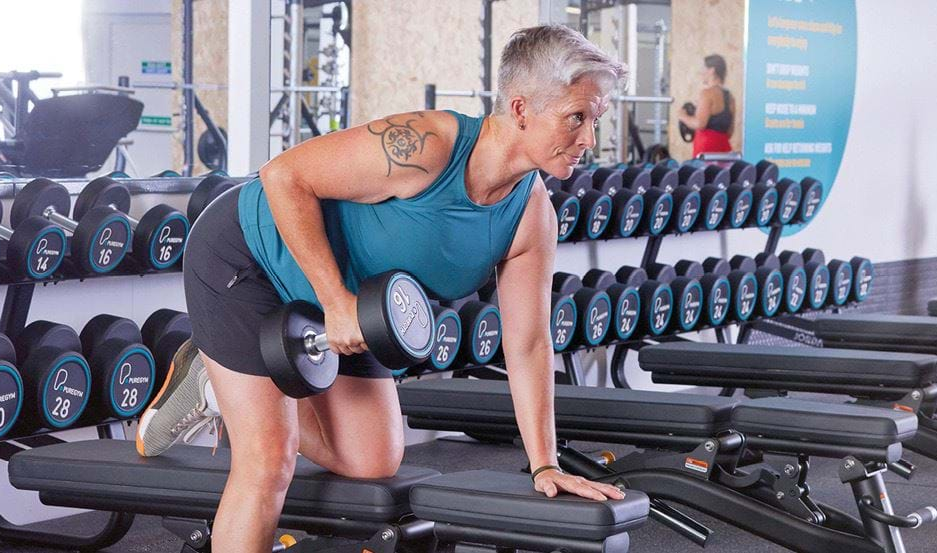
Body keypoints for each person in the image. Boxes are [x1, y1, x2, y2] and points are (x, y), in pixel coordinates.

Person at [136, 24, 627, 553]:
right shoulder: (428, 144)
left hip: (344, 305)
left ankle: (219, 384)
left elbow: (528, 343)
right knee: (268, 460)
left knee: (372, 458)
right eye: (576, 117)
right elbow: (283, 177)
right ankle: (236, 380)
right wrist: (334, 300)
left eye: (595, 119)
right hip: (250, 254)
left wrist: (544, 463)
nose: (589, 141)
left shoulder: (531, 216)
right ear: (522, 107)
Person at [679, 54, 736, 157]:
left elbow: (700, 124)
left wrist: (683, 116)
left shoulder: (707, 93)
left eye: (703, 69)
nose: (701, 72)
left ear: (712, 70)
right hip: (724, 150)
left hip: (706, 151)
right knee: (722, 174)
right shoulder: (730, 98)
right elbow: (729, 132)